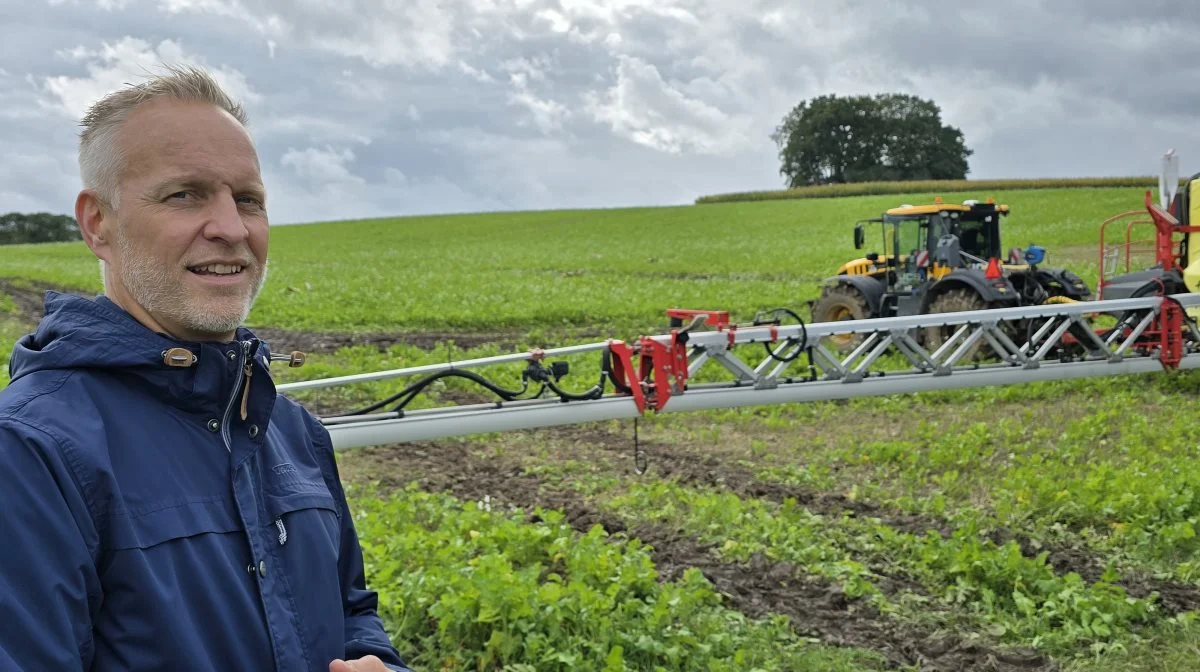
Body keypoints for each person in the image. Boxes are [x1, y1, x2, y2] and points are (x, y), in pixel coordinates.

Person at [0, 65, 414, 672]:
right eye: (184, 195)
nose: (231, 228)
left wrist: (375, 659)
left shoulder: (290, 431)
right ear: (98, 223)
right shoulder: (32, 452)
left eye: (248, 199)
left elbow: (351, 609)